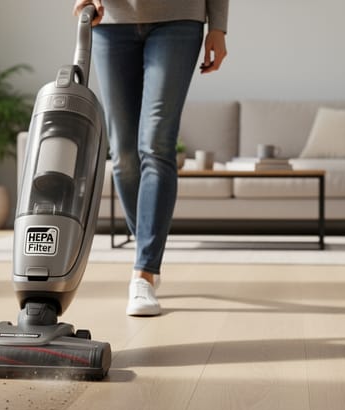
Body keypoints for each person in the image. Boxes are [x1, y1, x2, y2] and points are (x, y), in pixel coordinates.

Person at [73, 0, 229, 316]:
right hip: (111, 19)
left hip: (179, 17)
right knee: (123, 154)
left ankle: (143, 272)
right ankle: (149, 246)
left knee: (157, 144)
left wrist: (218, 26)